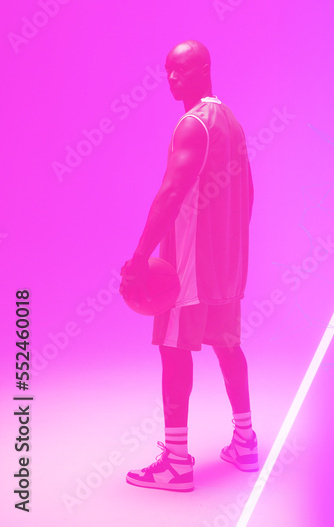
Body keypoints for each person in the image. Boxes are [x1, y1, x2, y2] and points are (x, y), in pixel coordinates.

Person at [119, 39, 257, 492]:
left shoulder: (192, 124)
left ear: (204, 70)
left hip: (191, 266)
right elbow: (249, 197)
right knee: (227, 345)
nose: (172, 80)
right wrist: (231, 246)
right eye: (167, 72)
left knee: (174, 350)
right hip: (227, 265)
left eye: (180, 71)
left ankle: (176, 463)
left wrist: (140, 258)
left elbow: (169, 195)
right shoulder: (233, 123)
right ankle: (245, 441)